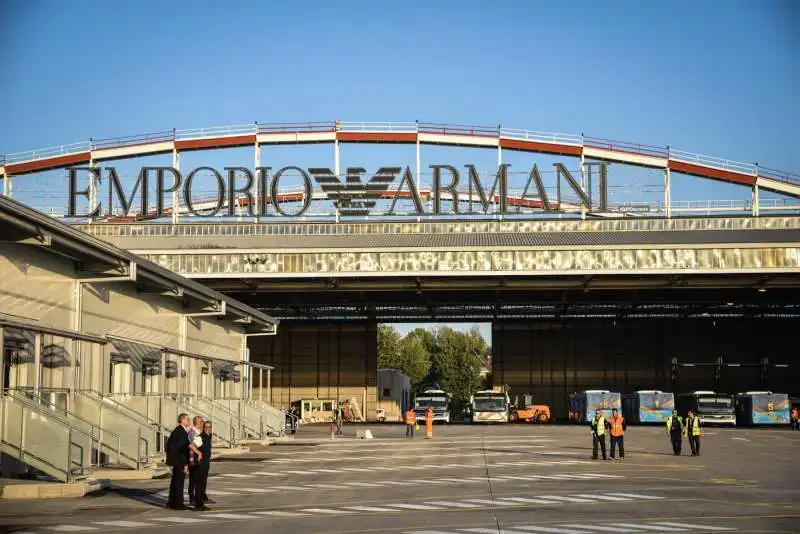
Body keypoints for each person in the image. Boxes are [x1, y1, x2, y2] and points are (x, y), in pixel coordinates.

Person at [166, 413, 191, 510]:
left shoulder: (178, 431)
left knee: (175, 482)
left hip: (177, 461)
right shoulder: (181, 432)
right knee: (179, 483)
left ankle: (172, 502)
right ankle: (178, 504)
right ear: (182, 420)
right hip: (180, 461)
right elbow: (182, 450)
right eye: (187, 419)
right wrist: (185, 464)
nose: (189, 421)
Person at [191, 420, 214, 507]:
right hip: (200, 463)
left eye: (209, 427)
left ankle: (201, 502)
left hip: (206, 462)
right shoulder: (201, 437)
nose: (207, 429)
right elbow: (192, 445)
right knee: (199, 484)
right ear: (203, 428)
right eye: (206, 427)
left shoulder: (209, 436)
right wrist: (199, 453)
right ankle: (198, 504)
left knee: (203, 483)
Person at [187, 416, 208, 511]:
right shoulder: (193, 433)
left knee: (199, 483)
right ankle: (194, 500)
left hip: (200, 461)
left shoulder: (199, 433)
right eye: (201, 422)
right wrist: (198, 452)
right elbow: (192, 445)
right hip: (195, 461)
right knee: (195, 482)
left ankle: (199, 501)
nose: (203, 424)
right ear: (197, 423)